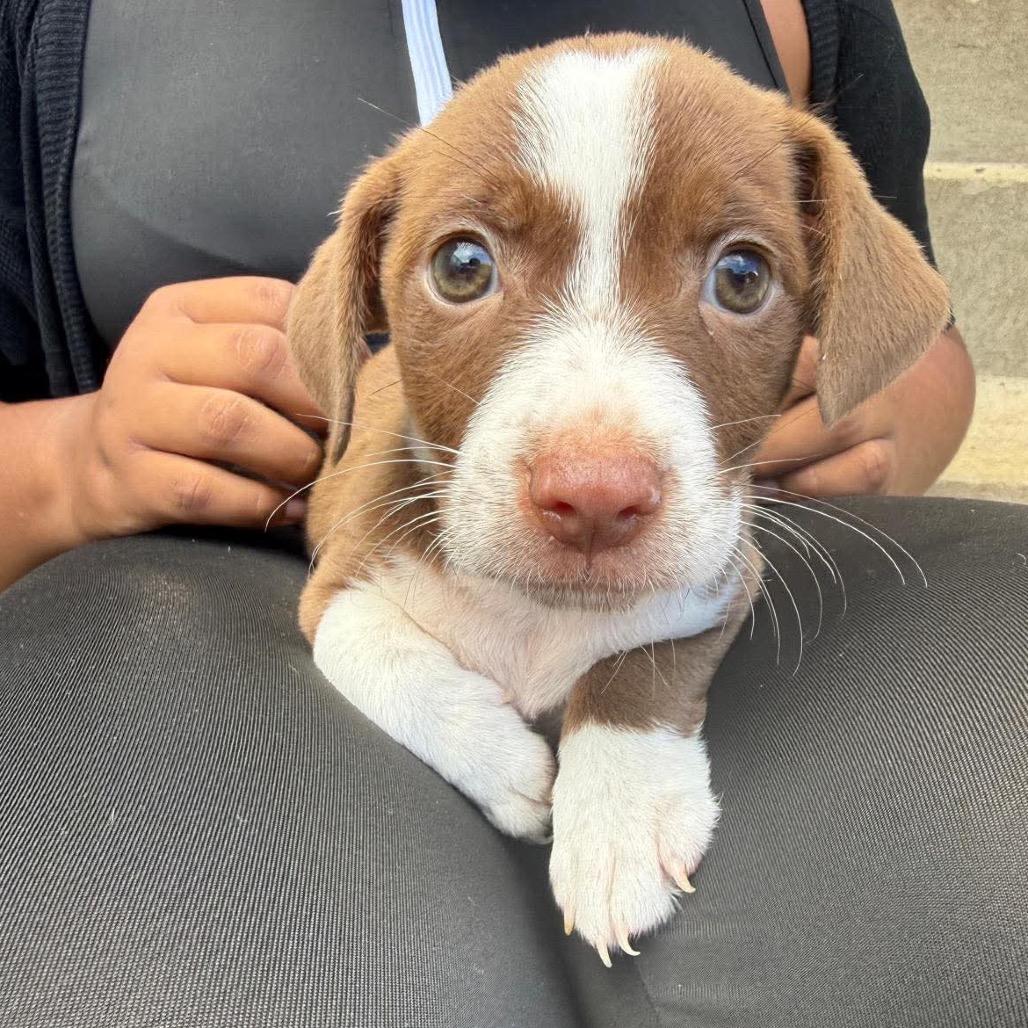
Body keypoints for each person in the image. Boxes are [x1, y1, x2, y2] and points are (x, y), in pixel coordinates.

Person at [0, 1, 1023, 1025]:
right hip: (197, 667)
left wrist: (887, 405)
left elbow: (919, 344)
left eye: (740, 275)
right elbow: (342, 602)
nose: (595, 468)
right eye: (464, 268)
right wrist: (63, 462)